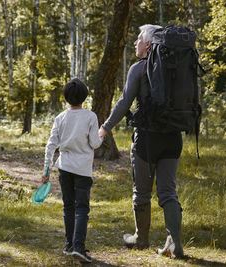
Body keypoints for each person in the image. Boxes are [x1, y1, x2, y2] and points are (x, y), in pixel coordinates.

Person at [98, 24, 185, 259]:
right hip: (173, 138)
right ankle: (175, 244)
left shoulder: (138, 68)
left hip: (147, 139)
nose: (135, 42)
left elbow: (125, 102)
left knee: (142, 191)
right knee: (168, 192)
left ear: (148, 44)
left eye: (139, 39)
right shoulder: (176, 69)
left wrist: (105, 127)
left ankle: (141, 238)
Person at [42, 78, 103, 263]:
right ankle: (78, 247)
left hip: (65, 168)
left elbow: (51, 145)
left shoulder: (60, 118)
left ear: (66, 97)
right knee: (82, 208)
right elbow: (94, 144)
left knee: (68, 206)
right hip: (83, 170)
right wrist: (102, 133)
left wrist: (46, 169)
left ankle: (69, 245)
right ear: (84, 96)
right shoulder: (90, 116)